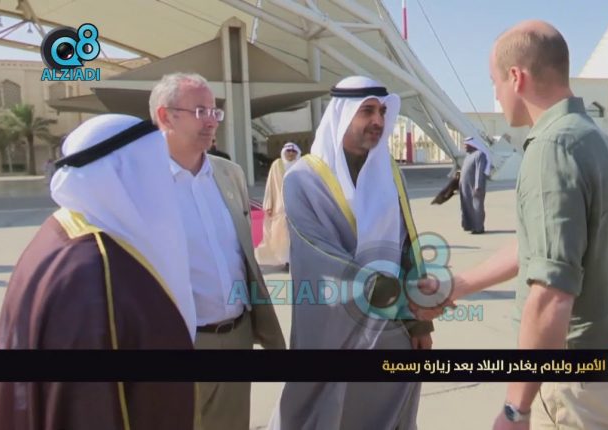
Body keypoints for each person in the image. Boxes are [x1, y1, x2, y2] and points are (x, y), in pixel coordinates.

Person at [412, 21, 608, 430]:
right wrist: (458, 285)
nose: (496, 95)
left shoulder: (552, 146)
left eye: (494, 82)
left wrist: (517, 407)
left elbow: (551, 293)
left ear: (516, 77)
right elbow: (538, 245)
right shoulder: (594, 138)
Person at [0, 114, 197, 430]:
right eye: (156, 170)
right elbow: (89, 406)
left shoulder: (64, 230)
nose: (165, 182)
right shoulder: (94, 269)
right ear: (120, 175)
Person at [269, 76, 433, 430]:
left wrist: (418, 319)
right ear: (342, 116)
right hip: (333, 328)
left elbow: (406, 244)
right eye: (367, 111)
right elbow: (318, 255)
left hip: (393, 326)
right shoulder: (303, 179)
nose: (377, 120)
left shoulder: (390, 173)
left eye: (382, 111)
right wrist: (380, 289)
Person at [149, 72, 285, 430]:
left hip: (237, 338)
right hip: (178, 343)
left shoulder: (230, 175)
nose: (211, 121)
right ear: (165, 116)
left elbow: (242, 256)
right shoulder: (141, 183)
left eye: (214, 111)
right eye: (200, 111)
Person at [255, 142, 301, 268]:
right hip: (280, 208)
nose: (290, 153)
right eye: (288, 151)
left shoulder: (301, 165)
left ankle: (296, 259)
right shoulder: (277, 165)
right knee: (281, 236)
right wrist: (269, 204)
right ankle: (286, 260)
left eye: (293, 151)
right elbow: (270, 185)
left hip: (298, 206)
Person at [459, 136, 492, 234]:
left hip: (475, 187)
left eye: (466, 145)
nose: (464, 147)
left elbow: (479, 171)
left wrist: (478, 186)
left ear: (472, 145)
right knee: (467, 206)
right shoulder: (468, 156)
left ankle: (478, 228)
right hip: (465, 187)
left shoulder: (479, 155)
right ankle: (470, 226)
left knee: (476, 207)